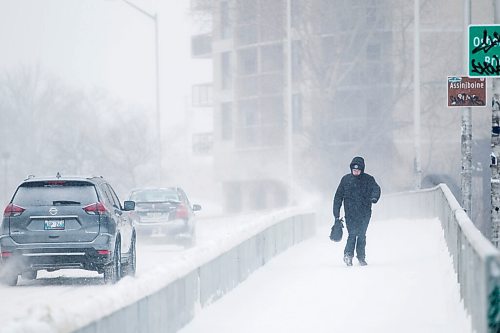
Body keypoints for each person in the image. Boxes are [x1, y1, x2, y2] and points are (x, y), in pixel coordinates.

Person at [333, 156, 381, 266]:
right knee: (352, 233)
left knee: (362, 234)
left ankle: (361, 257)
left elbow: (376, 189)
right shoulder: (345, 180)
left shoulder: (369, 179)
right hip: (350, 213)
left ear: (362, 170)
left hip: (365, 213)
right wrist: (336, 214)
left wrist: (374, 197)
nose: (356, 172)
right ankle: (348, 255)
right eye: (354, 170)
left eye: (358, 170)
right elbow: (338, 197)